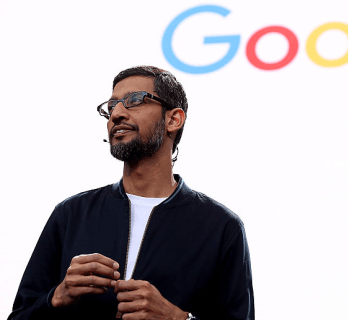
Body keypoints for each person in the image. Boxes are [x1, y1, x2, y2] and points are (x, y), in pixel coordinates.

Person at [8, 66, 254, 320]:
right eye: (111, 106)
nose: (116, 114)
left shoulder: (221, 226)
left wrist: (178, 318)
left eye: (134, 100)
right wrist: (57, 297)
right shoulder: (71, 214)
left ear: (173, 119)